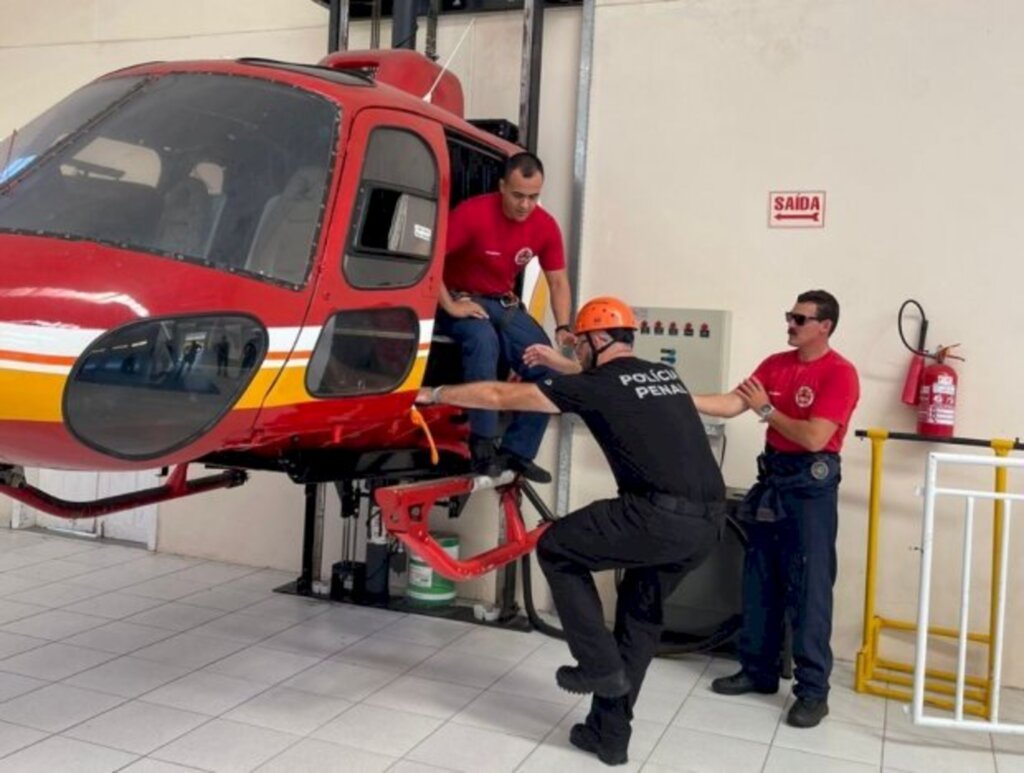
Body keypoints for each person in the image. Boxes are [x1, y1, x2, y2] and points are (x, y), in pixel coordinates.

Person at [418, 297, 726, 765]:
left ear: (599, 340)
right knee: (640, 617)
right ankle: (609, 735)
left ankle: (598, 666)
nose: (576, 351)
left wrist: (435, 393)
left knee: (559, 548)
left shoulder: (595, 384)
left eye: (579, 343)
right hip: (708, 523)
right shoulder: (664, 375)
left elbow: (502, 397)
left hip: (657, 515)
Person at [693, 289, 859, 729]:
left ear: (824, 326)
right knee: (760, 577)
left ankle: (812, 692)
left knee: (809, 590)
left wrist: (767, 409)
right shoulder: (774, 364)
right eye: (790, 315)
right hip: (773, 482)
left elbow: (814, 438)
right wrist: (680, 397)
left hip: (811, 489)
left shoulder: (839, 373)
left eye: (800, 319)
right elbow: (733, 403)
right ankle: (758, 670)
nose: (791, 324)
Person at [436, 151, 574, 483]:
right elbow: (430, 260)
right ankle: (481, 445)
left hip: (501, 303)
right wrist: (452, 306)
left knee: (546, 361)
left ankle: (517, 453)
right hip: (457, 298)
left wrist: (565, 327)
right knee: (482, 340)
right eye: (517, 195)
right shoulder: (471, 214)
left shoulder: (544, 226)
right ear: (502, 186)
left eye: (533, 197)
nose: (525, 205)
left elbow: (557, 280)